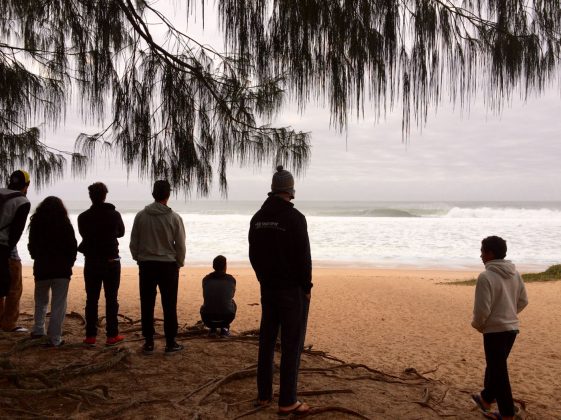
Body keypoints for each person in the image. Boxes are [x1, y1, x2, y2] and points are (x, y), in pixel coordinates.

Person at [248, 165, 312, 416]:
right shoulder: (295, 218)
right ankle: (287, 400)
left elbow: (253, 254)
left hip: (268, 287)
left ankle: (264, 394)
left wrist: (262, 278)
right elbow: (303, 258)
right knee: (291, 344)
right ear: (290, 191)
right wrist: (306, 287)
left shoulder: (257, 218)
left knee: (266, 340)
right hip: (291, 289)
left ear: (273, 190)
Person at [471, 236, 528, 420]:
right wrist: (509, 314)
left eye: (482, 251)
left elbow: (482, 310)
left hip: (494, 331)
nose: (480, 255)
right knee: (496, 368)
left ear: (490, 253)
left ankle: (507, 414)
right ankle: (486, 398)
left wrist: (480, 325)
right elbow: (523, 301)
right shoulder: (515, 273)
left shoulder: (486, 276)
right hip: (511, 329)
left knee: (499, 373)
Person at [130, 180, 186, 355]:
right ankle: (170, 342)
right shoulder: (174, 217)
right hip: (168, 265)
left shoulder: (141, 216)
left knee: (147, 303)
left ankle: (148, 342)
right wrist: (179, 262)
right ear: (168, 195)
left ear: (153, 194)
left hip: (147, 264)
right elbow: (181, 245)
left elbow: (134, 242)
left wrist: (138, 258)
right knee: (169, 304)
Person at [78, 182, 125, 346]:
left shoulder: (83, 217)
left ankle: (90, 336)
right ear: (105, 195)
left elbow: (84, 234)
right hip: (111, 260)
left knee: (91, 299)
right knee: (111, 299)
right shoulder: (114, 214)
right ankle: (112, 335)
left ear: (90, 196)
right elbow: (122, 232)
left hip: (91, 261)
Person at [27, 196, 77, 347]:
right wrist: (69, 263)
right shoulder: (65, 224)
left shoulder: (36, 223)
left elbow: (32, 245)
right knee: (58, 305)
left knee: (41, 301)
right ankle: (55, 338)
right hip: (62, 270)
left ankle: (38, 329)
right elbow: (72, 247)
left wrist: (36, 256)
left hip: (42, 268)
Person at [0, 170, 31, 332]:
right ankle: (9, 324)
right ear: (27, 185)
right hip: (6, 248)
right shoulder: (22, 201)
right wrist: (8, 250)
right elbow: (17, 232)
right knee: (14, 287)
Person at [200, 255, 237, 337]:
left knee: (207, 303)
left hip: (207, 318)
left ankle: (213, 329)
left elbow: (206, 295)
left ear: (213, 266)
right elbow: (231, 295)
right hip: (227, 318)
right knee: (233, 302)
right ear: (225, 266)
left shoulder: (206, 279)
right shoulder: (231, 280)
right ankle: (225, 328)